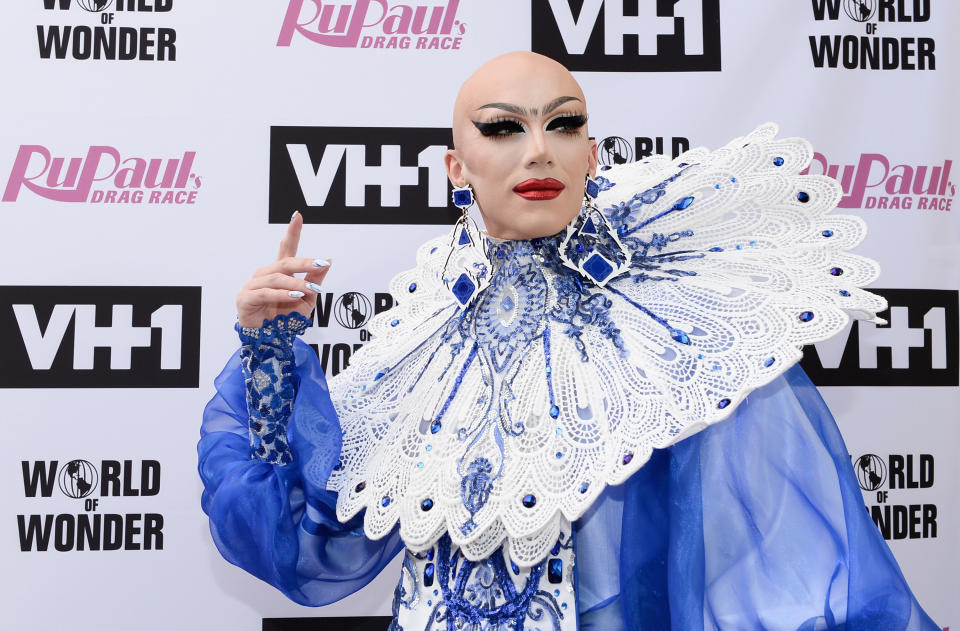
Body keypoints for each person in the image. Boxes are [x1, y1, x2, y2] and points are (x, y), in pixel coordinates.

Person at [199, 51, 939, 630]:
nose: (538, 150)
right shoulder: (416, 341)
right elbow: (316, 538)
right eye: (502, 127)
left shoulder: (677, 326)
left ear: (591, 153)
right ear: (456, 168)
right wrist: (268, 351)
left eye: (564, 123)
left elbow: (781, 571)